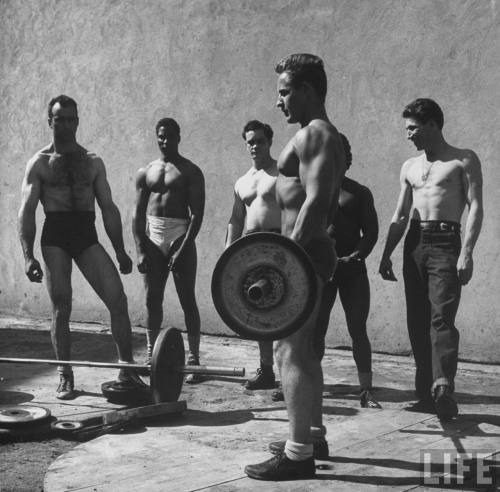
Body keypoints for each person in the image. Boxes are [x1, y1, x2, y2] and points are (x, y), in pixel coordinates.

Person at [244, 54, 345, 481]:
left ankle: (299, 455)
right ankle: (312, 433)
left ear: (307, 90)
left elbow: (315, 206)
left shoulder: (318, 134)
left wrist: (283, 267)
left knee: (290, 351)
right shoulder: (312, 134)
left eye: (285, 91)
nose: (279, 100)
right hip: (304, 257)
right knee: (305, 351)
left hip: (301, 257)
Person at [18, 95, 143, 400]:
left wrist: (120, 250)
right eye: (60, 118)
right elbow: (26, 211)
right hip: (55, 235)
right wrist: (27, 256)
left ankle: (127, 369)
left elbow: (108, 208)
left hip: (86, 234)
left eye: (72, 118)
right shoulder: (40, 163)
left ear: (78, 121)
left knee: (118, 299)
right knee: (62, 306)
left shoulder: (92, 162)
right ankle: (65, 374)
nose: (67, 124)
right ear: (50, 121)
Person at [378, 98, 483, 420]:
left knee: (442, 316)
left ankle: (443, 386)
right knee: (418, 319)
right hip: (414, 242)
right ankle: (426, 394)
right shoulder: (409, 166)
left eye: (413, 128)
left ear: (432, 124)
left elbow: (476, 206)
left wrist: (467, 252)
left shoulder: (462, 160)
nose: (408, 135)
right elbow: (399, 214)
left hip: (446, 241)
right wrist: (386, 253)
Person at [132, 118, 205, 384]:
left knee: (187, 298)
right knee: (152, 298)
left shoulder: (190, 171)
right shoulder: (146, 171)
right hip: (153, 233)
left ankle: (194, 358)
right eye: (161, 137)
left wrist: (183, 247)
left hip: (179, 233)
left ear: (178, 137)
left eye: (170, 136)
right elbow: (137, 214)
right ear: (157, 137)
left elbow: (197, 214)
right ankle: (151, 353)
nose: (165, 141)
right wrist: (140, 249)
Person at [226, 120, 281, 391]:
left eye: (259, 140)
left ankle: (289, 375)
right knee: (261, 311)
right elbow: (236, 220)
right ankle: (267, 371)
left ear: (269, 142)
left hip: (280, 248)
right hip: (251, 249)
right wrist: (228, 252)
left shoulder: (282, 174)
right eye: (250, 141)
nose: (254, 146)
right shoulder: (242, 181)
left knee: (285, 312)